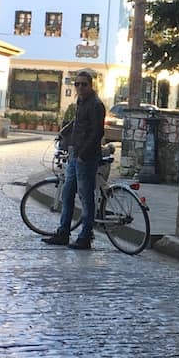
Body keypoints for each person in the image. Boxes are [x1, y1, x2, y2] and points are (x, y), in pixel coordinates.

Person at [42, 70, 105, 249]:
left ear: (90, 85)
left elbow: (97, 132)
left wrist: (84, 154)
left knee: (86, 197)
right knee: (67, 193)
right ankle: (63, 232)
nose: (79, 87)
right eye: (77, 84)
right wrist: (64, 132)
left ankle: (85, 236)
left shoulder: (95, 104)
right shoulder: (81, 101)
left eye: (83, 84)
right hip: (75, 155)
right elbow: (78, 122)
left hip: (86, 158)